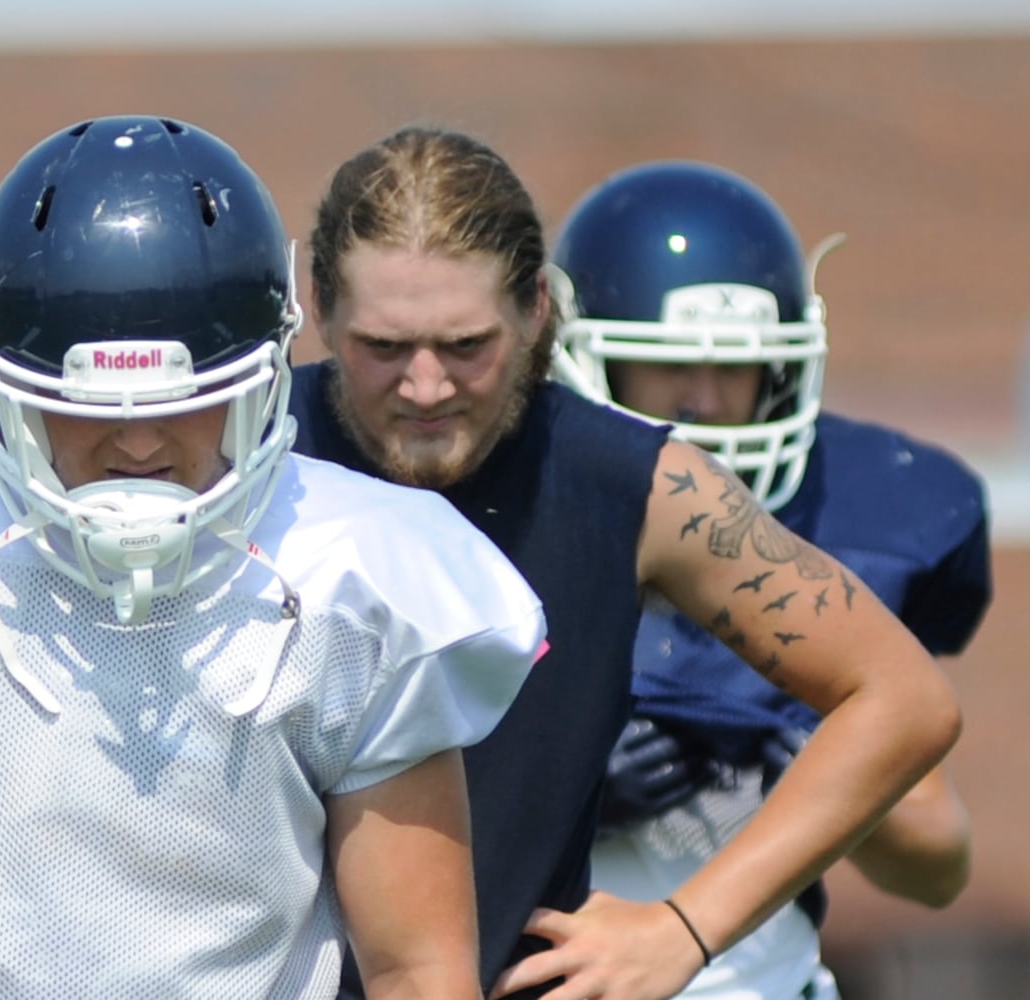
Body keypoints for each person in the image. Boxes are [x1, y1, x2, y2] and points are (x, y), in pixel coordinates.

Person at [0, 115, 549, 999]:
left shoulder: (358, 586)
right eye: (90, 408)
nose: (139, 444)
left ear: (268, 372)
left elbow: (413, 969)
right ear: (0, 380)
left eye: (189, 401)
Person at [287, 124, 963, 1000]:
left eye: (465, 346)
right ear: (320, 308)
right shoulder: (249, 458)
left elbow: (902, 701)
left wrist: (682, 929)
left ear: (536, 310)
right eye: (384, 347)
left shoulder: (635, 482)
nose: (424, 386)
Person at [550, 158, 990, 999]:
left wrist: (833, 788)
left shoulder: (860, 516)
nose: (708, 400)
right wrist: (559, 785)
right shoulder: (501, 506)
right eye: (671, 364)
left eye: (738, 366)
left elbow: (939, 867)